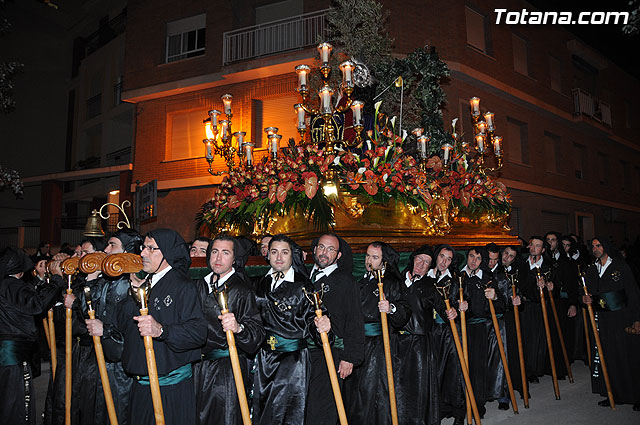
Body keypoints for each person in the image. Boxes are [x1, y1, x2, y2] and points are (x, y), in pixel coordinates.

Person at [103, 228, 207, 425]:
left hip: (169, 389)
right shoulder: (146, 283)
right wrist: (134, 292)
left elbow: (198, 332)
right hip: (141, 385)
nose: (143, 253)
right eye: (143, 247)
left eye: (151, 248)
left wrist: (161, 330)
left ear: (167, 252)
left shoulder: (182, 286)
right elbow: (124, 326)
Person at [252, 234, 330, 425]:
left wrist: (322, 326)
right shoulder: (258, 284)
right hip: (263, 358)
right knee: (262, 409)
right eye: (274, 252)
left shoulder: (304, 286)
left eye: (284, 252)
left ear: (291, 255)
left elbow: (314, 318)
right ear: (267, 255)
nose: (279, 257)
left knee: (288, 411)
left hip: (292, 360)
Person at [192, 234, 264, 425]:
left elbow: (257, 334)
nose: (218, 258)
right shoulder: (199, 285)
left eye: (225, 253)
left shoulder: (241, 290)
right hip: (197, 367)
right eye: (214, 252)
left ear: (234, 258)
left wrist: (239, 328)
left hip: (226, 371)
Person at [343, 241, 410, 425]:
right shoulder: (361, 281)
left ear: (384, 262)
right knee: (356, 394)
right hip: (358, 343)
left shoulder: (391, 283)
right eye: (367, 255)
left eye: (375, 257)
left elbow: (405, 311)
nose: (368, 260)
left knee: (375, 394)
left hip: (380, 347)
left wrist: (391, 308)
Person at [85, 229, 143, 425]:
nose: (107, 250)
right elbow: (87, 312)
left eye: (113, 245)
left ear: (127, 251)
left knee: (121, 413)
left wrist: (107, 331)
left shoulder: (134, 284)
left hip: (124, 364)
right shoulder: (105, 280)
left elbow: (133, 328)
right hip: (103, 356)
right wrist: (91, 279)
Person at [0, 247, 63, 425]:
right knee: (17, 406)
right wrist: (57, 280)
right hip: (13, 358)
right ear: (20, 271)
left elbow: (28, 295)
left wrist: (42, 280)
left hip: (7, 356)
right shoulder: (12, 285)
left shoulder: (6, 284)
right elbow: (36, 304)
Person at [305, 234, 364, 425]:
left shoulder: (346, 281)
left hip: (331, 353)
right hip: (304, 354)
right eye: (321, 247)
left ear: (338, 255)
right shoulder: (304, 278)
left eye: (331, 249)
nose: (324, 253)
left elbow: (355, 320)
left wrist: (350, 357)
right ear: (314, 250)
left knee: (323, 409)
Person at [582, 237, 640, 410]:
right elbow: (585, 291)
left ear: (606, 247)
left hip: (622, 318)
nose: (595, 249)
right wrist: (583, 298)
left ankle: (636, 396)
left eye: (598, 245)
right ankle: (613, 393)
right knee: (609, 357)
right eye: (592, 246)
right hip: (603, 320)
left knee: (628, 357)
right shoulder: (592, 269)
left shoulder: (621, 267)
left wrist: (637, 318)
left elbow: (633, 293)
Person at [397, 245, 451, 425]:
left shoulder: (431, 286)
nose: (421, 264)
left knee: (418, 388)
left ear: (430, 267)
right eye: (420, 259)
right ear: (413, 259)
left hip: (419, 344)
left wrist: (454, 312)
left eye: (427, 262)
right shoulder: (397, 281)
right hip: (396, 341)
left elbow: (443, 308)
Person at [455, 247, 506, 417]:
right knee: (459, 367)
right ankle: (460, 405)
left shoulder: (487, 278)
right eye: (471, 256)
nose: (474, 261)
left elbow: (501, 306)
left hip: (479, 329)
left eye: (478, 258)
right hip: (458, 328)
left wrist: (496, 296)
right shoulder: (457, 276)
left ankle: (477, 404)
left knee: (477, 368)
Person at [426, 244, 464, 425]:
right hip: (430, 333)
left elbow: (463, 302)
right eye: (442, 256)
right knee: (434, 373)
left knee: (455, 372)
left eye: (449, 259)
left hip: (450, 332)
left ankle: (458, 412)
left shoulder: (455, 280)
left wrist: (458, 309)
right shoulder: (425, 277)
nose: (444, 262)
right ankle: (438, 409)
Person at [519, 236, 560, 383]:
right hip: (523, 306)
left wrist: (551, 287)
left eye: (537, 246)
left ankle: (533, 370)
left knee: (536, 339)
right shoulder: (521, 265)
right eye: (531, 245)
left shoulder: (549, 268)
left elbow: (555, 288)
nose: (533, 248)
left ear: (543, 250)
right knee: (522, 337)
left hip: (538, 307)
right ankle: (522, 368)